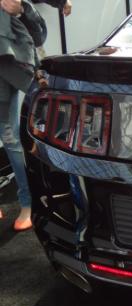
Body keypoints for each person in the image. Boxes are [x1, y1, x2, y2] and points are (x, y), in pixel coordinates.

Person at [0, 0, 47, 230]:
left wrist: (21, 11)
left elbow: (39, 34)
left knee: (11, 139)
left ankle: (27, 202)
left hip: (7, 64)